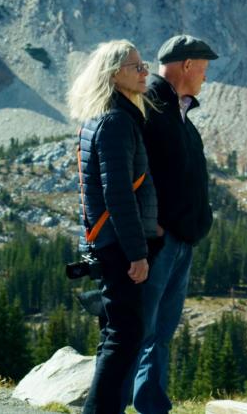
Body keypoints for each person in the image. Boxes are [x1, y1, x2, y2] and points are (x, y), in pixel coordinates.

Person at [127, 35, 218, 414]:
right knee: (139, 330)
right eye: (203, 68)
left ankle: (151, 405)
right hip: (159, 241)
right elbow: (132, 171)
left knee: (160, 332)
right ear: (185, 66)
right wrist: (154, 227)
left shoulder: (179, 114)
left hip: (181, 240)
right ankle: (113, 403)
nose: (205, 77)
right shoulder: (149, 106)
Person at [68, 40, 159, 414]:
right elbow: (118, 194)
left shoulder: (104, 117)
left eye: (144, 65)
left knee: (116, 333)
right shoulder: (117, 121)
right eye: (136, 67)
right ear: (113, 74)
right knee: (125, 335)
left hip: (108, 243)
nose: (144, 72)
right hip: (120, 247)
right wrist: (137, 253)